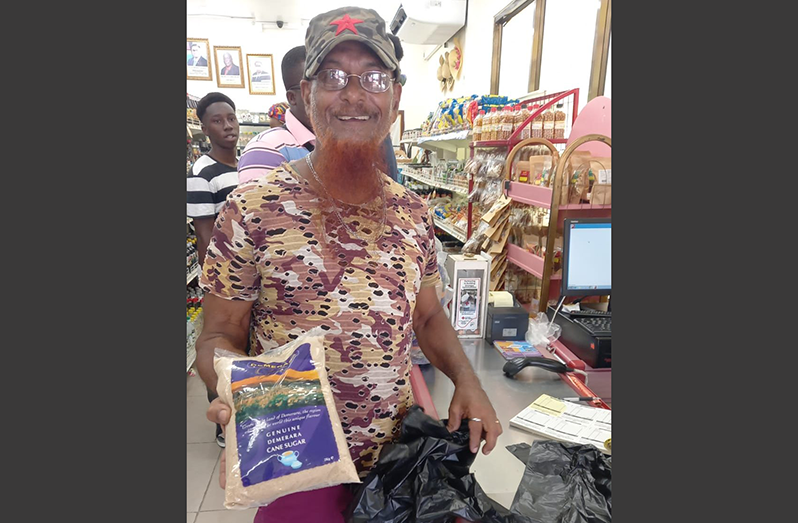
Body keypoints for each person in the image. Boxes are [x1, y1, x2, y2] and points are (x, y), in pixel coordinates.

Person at [198, 7, 500, 522]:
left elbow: (427, 318)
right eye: (333, 76)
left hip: (396, 468)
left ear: (396, 97)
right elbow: (216, 335)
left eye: (374, 77)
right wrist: (236, 384)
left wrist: (468, 381)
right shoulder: (252, 209)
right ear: (306, 95)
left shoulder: (413, 213)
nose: (355, 94)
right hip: (296, 467)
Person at [186, 92, 240, 448]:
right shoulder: (200, 172)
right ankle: (223, 425)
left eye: (231, 118)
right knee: (221, 349)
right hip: (224, 280)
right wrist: (216, 288)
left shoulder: (249, 163)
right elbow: (206, 237)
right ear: (204, 128)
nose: (228, 127)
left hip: (253, 274)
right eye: (218, 121)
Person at [237, 45, 316, 184]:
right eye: (314, 89)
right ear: (292, 97)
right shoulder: (265, 149)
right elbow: (256, 204)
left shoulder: (334, 139)